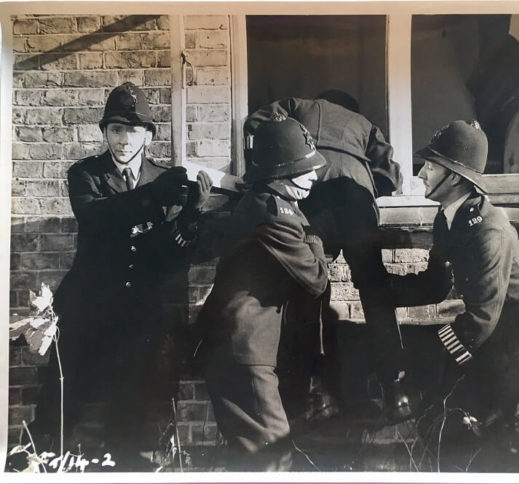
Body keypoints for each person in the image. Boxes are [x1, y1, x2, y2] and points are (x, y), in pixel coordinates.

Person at [30, 82, 213, 471]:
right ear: (105, 133)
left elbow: (171, 252)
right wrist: (154, 197)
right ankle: (40, 458)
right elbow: (97, 218)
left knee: (138, 388)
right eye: (115, 129)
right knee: (63, 386)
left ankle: (128, 463)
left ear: (148, 135)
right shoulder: (85, 175)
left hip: (141, 306)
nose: (124, 140)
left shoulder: (163, 178)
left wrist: (191, 216)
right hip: (91, 300)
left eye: (133, 130)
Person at [243, 91, 451, 422]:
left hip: (312, 188)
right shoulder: (365, 124)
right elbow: (393, 175)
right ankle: (396, 390)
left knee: (311, 290)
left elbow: (254, 122)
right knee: (376, 292)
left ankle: (317, 390)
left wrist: (262, 169)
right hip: (356, 194)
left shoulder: (299, 106)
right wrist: (366, 187)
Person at [397, 120, 519, 469]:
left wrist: (434, 358)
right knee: (455, 408)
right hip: (494, 329)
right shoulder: (448, 218)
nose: (422, 175)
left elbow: (482, 317)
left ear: (455, 177)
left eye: (431, 167)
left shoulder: (488, 229)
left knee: (503, 429)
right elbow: (435, 281)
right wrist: (384, 290)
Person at [193, 114, 329, 471]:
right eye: (305, 169)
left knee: (256, 459)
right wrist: (315, 239)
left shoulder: (263, 202)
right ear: (280, 174)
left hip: (244, 351)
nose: (314, 177)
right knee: (273, 457)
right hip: (243, 352)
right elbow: (315, 279)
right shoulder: (276, 215)